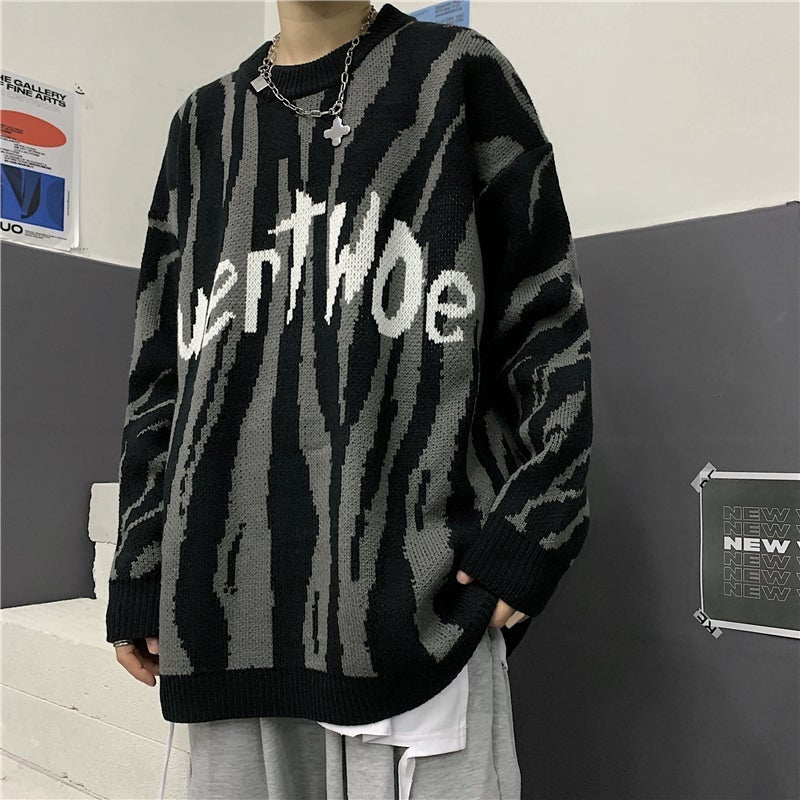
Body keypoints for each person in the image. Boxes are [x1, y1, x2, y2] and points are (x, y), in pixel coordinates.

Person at [106, 2, 593, 798]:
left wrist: (538, 525)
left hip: (420, 605)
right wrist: (140, 560)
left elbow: (545, 319)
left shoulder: (457, 72)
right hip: (226, 612)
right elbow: (163, 363)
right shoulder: (202, 124)